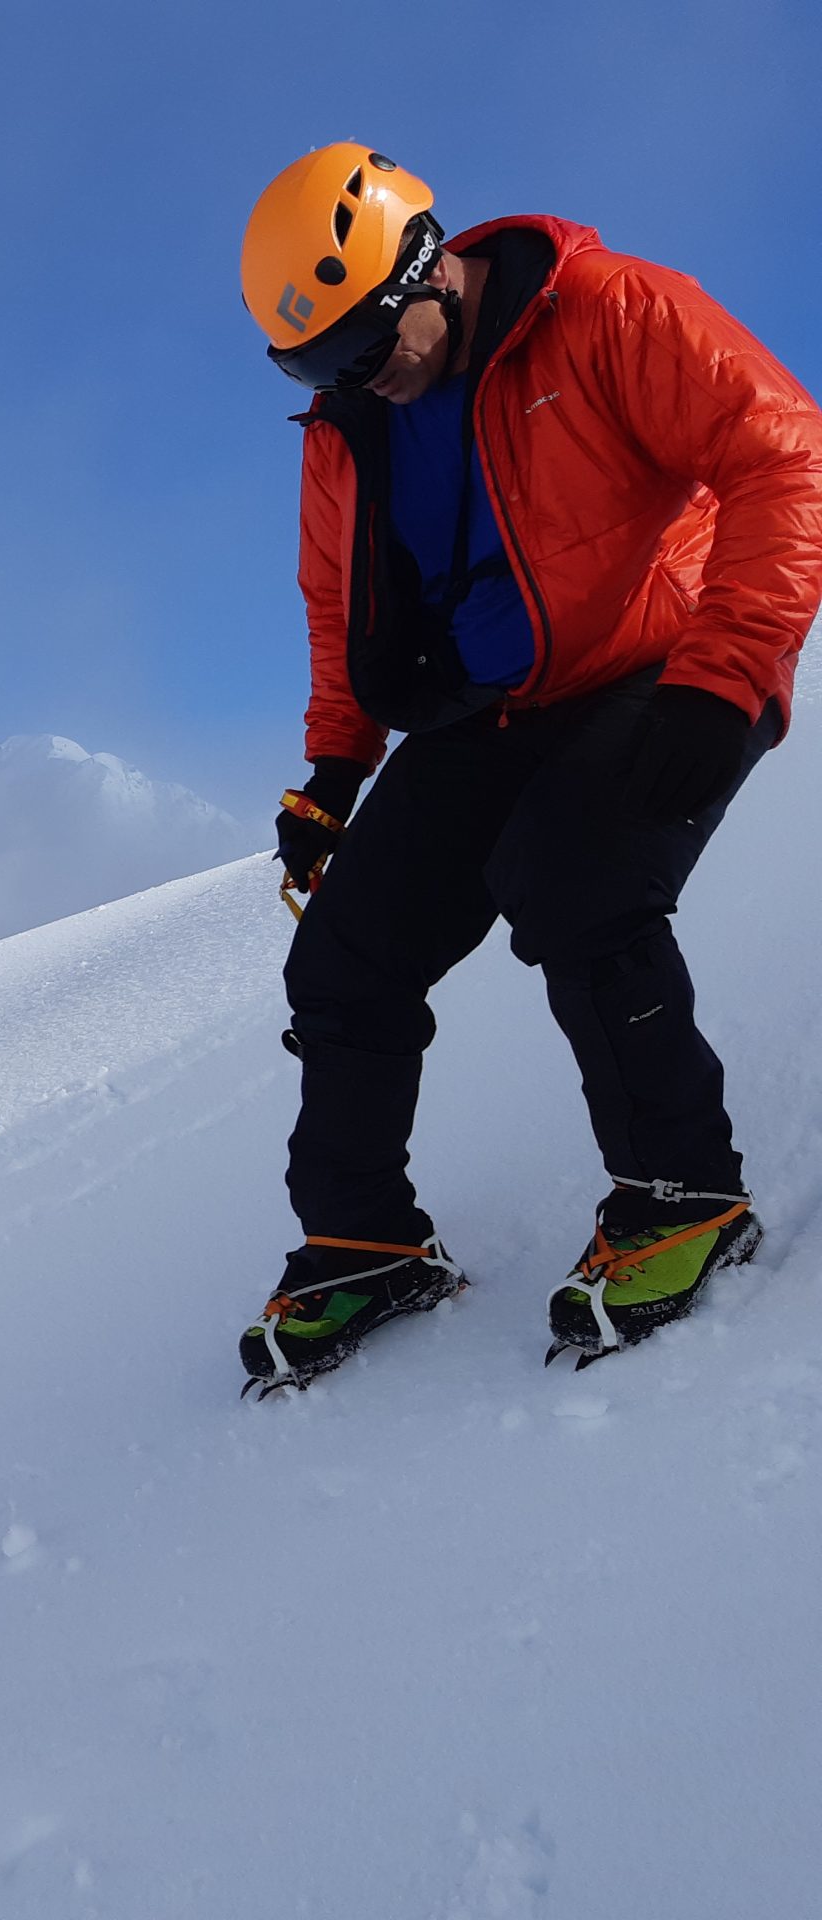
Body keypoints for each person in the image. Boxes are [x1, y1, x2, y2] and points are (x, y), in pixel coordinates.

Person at [236, 144, 822, 1390]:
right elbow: (333, 603)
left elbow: (783, 453)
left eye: (363, 347)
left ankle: (683, 1193)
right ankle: (362, 1242)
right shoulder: (352, 424)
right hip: (488, 710)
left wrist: (727, 676)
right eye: (315, 367)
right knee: (341, 958)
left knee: (574, 880)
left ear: (427, 269)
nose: (354, 384)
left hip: (659, 674)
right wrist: (331, 774)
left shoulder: (608, 311)